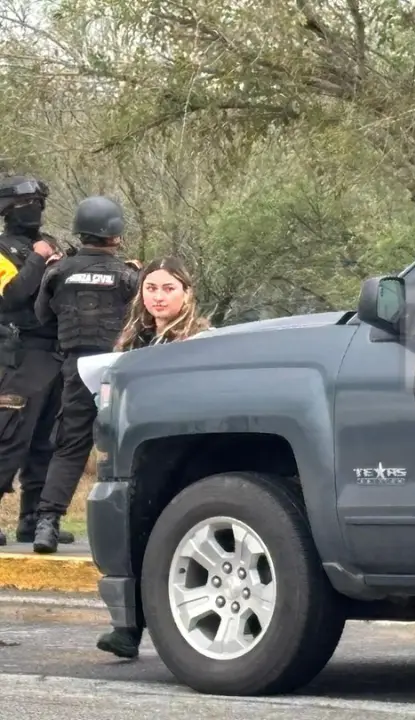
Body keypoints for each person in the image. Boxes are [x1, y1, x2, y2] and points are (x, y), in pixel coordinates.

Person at [96, 256, 209, 659]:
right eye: (151, 288)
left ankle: (150, 631)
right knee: (128, 533)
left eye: (168, 289)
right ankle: (125, 628)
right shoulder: (134, 339)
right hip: (134, 450)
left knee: (158, 537)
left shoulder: (200, 340)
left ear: (186, 293)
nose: (158, 297)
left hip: (179, 454)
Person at [32, 196, 139, 554]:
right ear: (115, 236)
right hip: (122, 369)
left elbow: (43, 316)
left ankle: (47, 523)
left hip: (76, 369)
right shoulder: (128, 275)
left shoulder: (58, 271)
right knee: (131, 446)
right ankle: (132, 528)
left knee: (70, 446)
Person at [0, 175, 74, 547]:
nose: (36, 211)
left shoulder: (49, 245)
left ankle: (34, 518)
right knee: (9, 437)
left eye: (40, 203)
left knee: (47, 440)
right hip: (17, 357)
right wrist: (39, 258)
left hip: (54, 354)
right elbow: (10, 297)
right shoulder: (2, 250)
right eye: (29, 204)